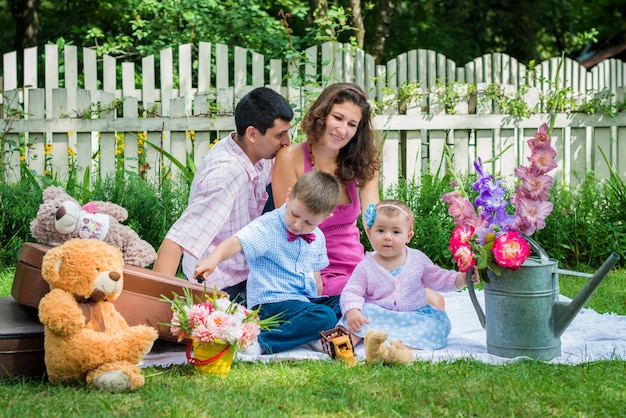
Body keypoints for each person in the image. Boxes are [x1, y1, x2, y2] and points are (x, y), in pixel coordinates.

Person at [271, 82, 446, 309]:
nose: (342, 130)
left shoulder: (363, 162)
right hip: (310, 264)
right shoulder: (290, 157)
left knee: (434, 301)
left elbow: (373, 218)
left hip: (355, 263)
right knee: (367, 303)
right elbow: (286, 225)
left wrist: (392, 262)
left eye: (352, 124)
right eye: (338, 118)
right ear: (321, 115)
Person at [153, 87, 293, 304]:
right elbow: (176, 241)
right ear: (252, 134)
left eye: (287, 132)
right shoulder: (225, 174)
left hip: (248, 268)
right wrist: (157, 308)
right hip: (221, 285)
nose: (287, 141)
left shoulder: (255, 152)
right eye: (279, 135)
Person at [193, 170, 342, 354]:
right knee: (325, 316)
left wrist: (313, 305)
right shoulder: (268, 227)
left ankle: (309, 332)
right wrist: (212, 259)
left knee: (346, 303)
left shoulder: (317, 237)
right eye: (294, 214)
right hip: (270, 304)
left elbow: (315, 275)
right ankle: (260, 341)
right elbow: (236, 242)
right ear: (289, 196)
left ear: (325, 218)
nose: (297, 225)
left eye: (308, 223)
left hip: (301, 302)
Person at [338, 200, 479, 350]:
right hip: (380, 314)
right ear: (369, 232)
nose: (387, 237)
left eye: (396, 232)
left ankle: (398, 347)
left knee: (432, 326)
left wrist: (461, 279)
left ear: (408, 236)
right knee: (361, 316)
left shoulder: (417, 259)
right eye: (380, 231)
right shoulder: (365, 266)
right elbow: (352, 291)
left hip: (412, 316)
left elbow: (438, 278)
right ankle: (342, 344)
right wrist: (352, 310)